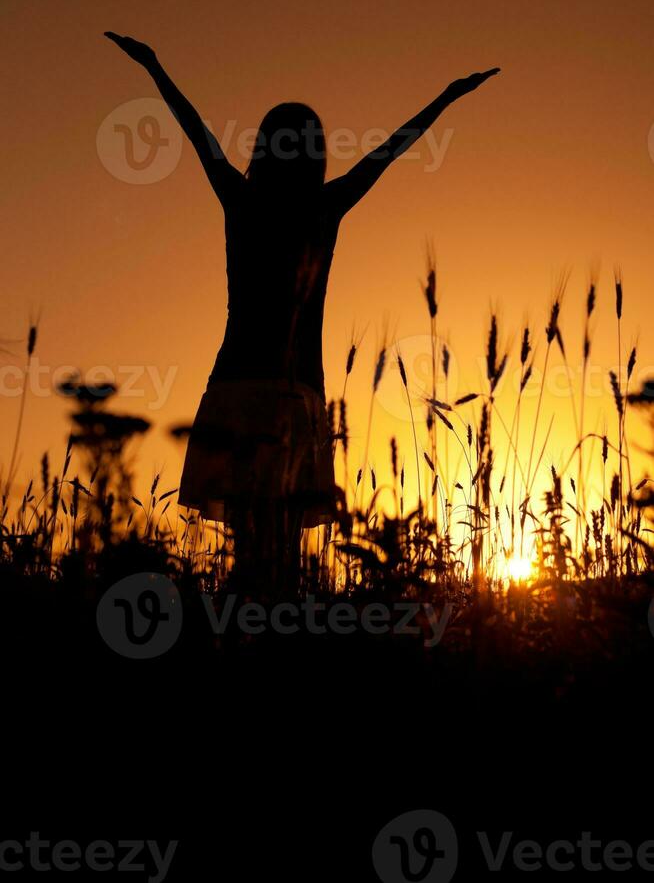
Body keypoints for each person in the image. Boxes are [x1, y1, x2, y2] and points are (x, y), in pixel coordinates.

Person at [104, 31, 499, 591]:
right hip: (294, 393)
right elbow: (389, 149)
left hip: (239, 386)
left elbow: (196, 130)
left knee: (246, 544)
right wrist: (448, 96)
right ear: (314, 151)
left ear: (263, 147)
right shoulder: (323, 205)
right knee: (283, 547)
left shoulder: (240, 199)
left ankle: (243, 641)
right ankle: (279, 645)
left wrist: (154, 66)